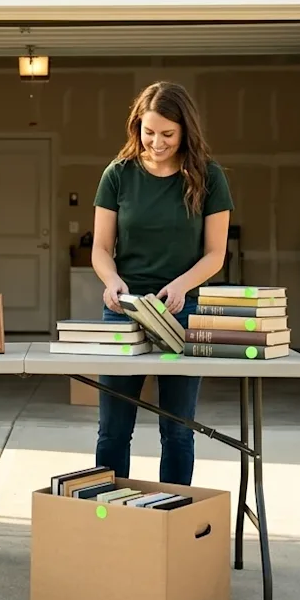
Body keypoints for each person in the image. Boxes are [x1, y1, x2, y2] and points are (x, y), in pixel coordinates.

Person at [90, 81, 233, 486]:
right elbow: (101, 248)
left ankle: (173, 514)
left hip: (183, 312)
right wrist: (111, 279)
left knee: (177, 429)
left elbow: (215, 254)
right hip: (124, 309)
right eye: (148, 132)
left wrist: (181, 285)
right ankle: (109, 513)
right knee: (113, 428)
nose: (156, 142)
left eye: (167, 134)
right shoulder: (117, 175)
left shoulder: (210, 177)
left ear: (186, 130)